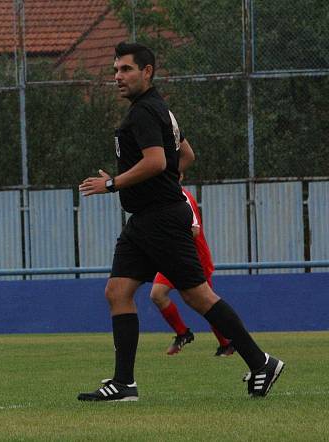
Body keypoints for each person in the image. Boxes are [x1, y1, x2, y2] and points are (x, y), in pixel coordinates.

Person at [76, 42, 284, 401]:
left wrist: (112, 182)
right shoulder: (161, 110)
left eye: (126, 69)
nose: (118, 77)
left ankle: (260, 361)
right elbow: (185, 155)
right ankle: (123, 383)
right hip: (145, 220)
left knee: (197, 295)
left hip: (160, 220)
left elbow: (157, 161)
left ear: (147, 72)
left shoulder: (143, 113)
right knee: (118, 292)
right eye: (115, 70)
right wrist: (164, 178)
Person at [150, 182, 233, 357]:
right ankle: (183, 333)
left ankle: (226, 344)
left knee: (205, 303)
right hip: (172, 258)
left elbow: (194, 231)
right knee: (157, 294)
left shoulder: (182, 196)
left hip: (194, 259)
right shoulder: (158, 198)